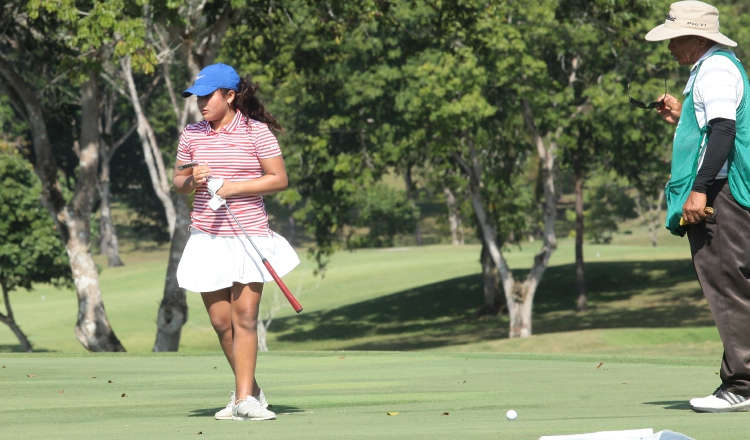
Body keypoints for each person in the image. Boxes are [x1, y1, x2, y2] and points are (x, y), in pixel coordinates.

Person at [173, 63, 299, 421]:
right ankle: (252, 390)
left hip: (249, 235)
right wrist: (192, 179)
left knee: (245, 317)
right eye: (197, 97)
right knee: (221, 322)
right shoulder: (192, 134)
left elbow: (278, 179)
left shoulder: (257, 133)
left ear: (229, 96)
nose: (201, 104)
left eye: (207, 96)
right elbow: (177, 182)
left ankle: (243, 399)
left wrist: (234, 187)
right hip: (207, 237)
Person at [646, 1, 750, 412]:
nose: (669, 46)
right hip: (725, 190)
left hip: (722, 195)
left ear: (698, 36)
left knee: (728, 287)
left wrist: (701, 189)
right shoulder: (713, 70)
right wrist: (683, 114)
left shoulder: (716, 69)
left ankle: (741, 385)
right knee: (736, 286)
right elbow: (714, 124)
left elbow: (724, 130)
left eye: (674, 37)